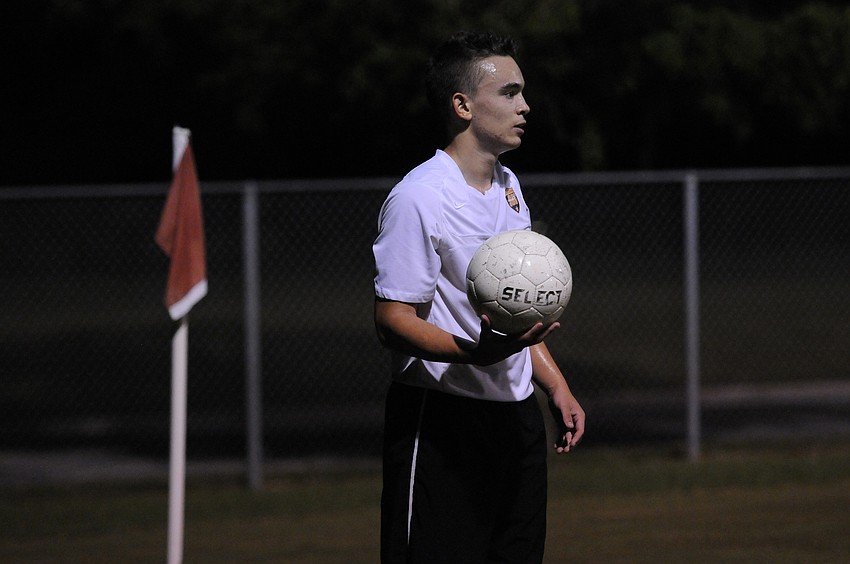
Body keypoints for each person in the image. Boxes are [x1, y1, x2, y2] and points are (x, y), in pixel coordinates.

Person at [372, 30, 585, 564]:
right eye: (510, 93)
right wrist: (472, 352)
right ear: (463, 105)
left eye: (523, 92)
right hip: (444, 421)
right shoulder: (419, 196)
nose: (525, 106)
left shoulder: (510, 188)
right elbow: (392, 318)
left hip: (515, 421)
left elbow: (516, 313)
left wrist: (554, 384)